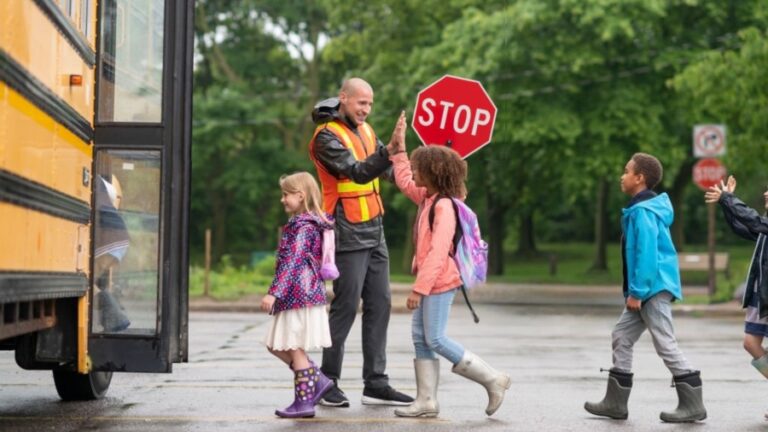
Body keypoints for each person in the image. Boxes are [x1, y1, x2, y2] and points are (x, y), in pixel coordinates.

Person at [388, 126, 511, 418]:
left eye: (419, 169)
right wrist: (400, 152)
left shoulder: (444, 207)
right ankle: (426, 401)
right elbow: (405, 181)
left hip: (440, 282)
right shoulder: (428, 198)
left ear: (432, 173)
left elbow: (439, 251)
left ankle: (492, 379)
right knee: (421, 338)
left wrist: (420, 288)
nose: (414, 173)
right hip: (433, 280)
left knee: (436, 339)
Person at [308, 78, 413, 407]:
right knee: (345, 307)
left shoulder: (366, 132)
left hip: (374, 227)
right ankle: (326, 382)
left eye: (370, 103)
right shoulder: (326, 136)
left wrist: (425, 178)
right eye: (360, 103)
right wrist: (390, 152)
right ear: (343, 98)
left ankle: (376, 382)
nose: (366, 109)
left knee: (381, 304)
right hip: (346, 230)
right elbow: (357, 172)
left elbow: (387, 169)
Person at [584, 153, 707, 423]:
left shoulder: (643, 212)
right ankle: (615, 403)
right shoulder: (640, 209)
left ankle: (693, 403)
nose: (622, 175)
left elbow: (647, 254)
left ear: (639, 178)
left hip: (651, 288)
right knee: (621, 335)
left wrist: (637, 292)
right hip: (645, 289)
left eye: (626, 171)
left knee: (665, 342)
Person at [261, 172, 335, 418]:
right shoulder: (303, 223)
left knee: (293, 347)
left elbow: (293, 262)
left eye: (286, 194)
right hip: (298, 294)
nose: (282, 199)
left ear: (300, 196)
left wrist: (274, 293)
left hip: (298, 295)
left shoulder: (303, 226)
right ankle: (318, 379)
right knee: (275, 344)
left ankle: (304, 402)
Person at [706, 176, 768, 418]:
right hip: (761, 296)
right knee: (750, 344)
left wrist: (728, 199)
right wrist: (726, 204)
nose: (765, 194)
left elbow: (751, 219)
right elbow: (744, 227)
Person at [93, 174, 131, 332]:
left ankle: (116, 319)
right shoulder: (105, 181)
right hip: (119, 238)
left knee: (84, 282)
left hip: (110, 238)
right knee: (89, 281)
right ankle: (114, 319)